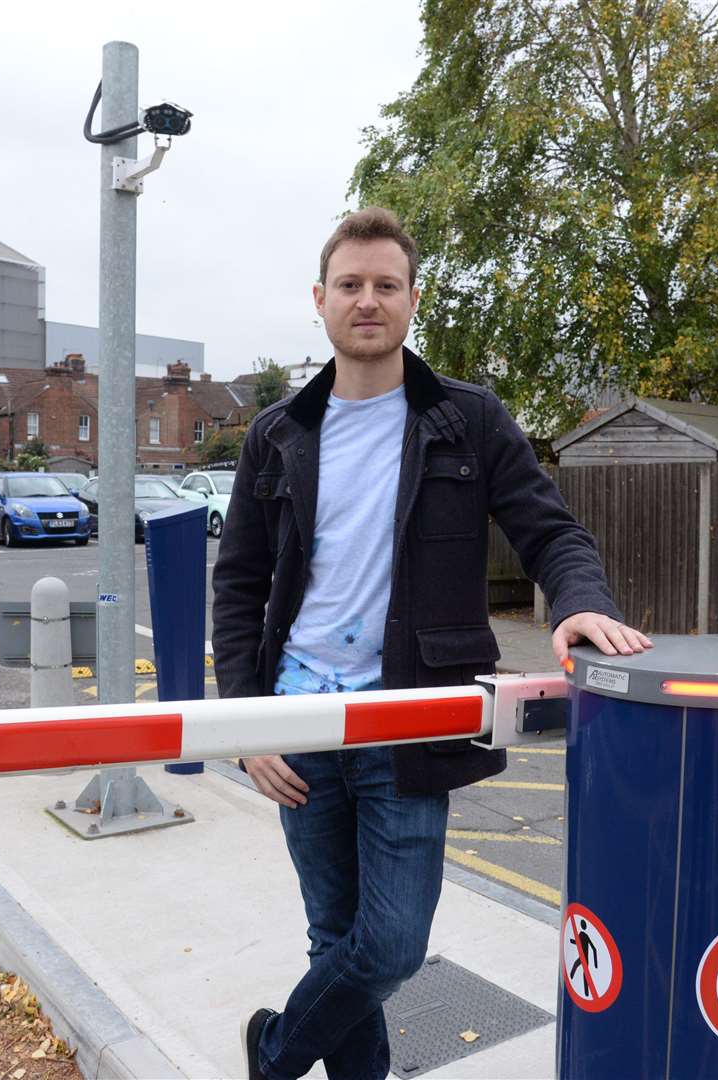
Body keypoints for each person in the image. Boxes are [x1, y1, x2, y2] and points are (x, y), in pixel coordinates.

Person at [212, 207, 652, 1080]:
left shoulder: (468, 419)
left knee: (390, 948)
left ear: (413, 300)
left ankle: (273, 1055)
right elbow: (238, 581)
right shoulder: (277, 432)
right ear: (320, 300)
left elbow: (550, 530)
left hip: (410, 718)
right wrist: (243, 721)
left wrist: (577, 604)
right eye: (350, 285)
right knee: (334, 935)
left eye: (385, 285)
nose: (366, 300)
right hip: (300, 718)